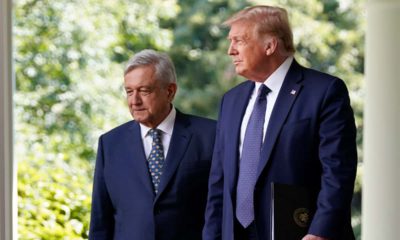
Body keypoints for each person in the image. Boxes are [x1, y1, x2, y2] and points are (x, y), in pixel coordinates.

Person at [203, 5, 357, 240]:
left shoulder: (325, 91)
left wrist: (320, 231)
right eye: (230, 41)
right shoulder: (231, 101)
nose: (230, 50)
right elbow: (219, 181)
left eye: (239, 41)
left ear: (270, 45)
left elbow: (337, 170)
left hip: (301, 233)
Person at [89, 49, 216, 240]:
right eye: (129, 91)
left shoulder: (211, 136)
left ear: (170, 91)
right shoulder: (110, 144)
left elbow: (222, 210)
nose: (134, 101)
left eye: (144, 90)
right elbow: (100, 221)